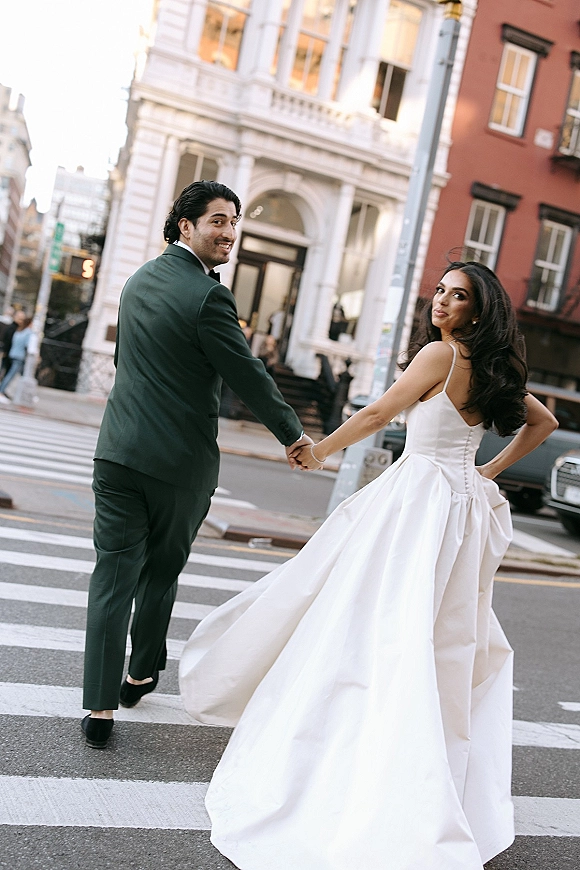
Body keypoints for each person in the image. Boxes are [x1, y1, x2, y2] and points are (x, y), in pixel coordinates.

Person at [179, 261, 558, 870]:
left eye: (456, 296)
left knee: (371, 617)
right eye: (439, 291)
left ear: (477, 311)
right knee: (436, 635)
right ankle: (419, 749)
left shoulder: (442, 356)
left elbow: (380, 414)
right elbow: (544, 422)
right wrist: (485, 473)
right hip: (458, 508)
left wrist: (320, 449)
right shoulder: (492, 369)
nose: (440, 302)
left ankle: (364, 741)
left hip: (417, 503)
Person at [81, 180, 312, 749]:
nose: (229, 232)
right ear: (184, 225)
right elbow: (247, 375)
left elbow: (125, 361)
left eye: (234, 222)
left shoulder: (136, 282)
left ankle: (100, 708)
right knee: (159, 573)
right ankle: (140, 672)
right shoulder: (209, 297)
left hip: (116, 451)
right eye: (217, 221)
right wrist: (292, 432)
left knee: (112, 575)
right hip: (177, 464)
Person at [0, 313, 32, 402]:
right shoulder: (18, 330)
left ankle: (4, 391)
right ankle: (1, 391)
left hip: (11, 354)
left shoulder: (18, 330)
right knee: (9, 375)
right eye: (20, 319)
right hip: (15, 355)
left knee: (8, 374)